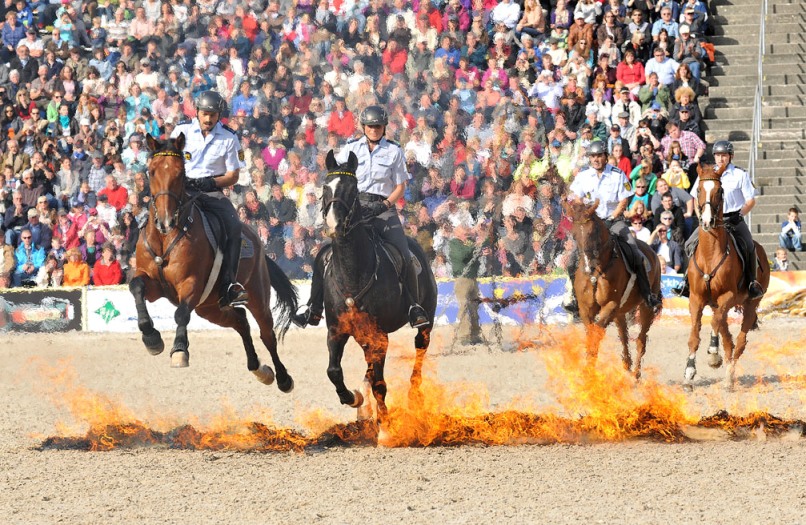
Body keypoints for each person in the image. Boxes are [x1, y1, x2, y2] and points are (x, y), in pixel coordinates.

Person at [293, 105, 429, 329]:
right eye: (370, 126)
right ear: (363, 127)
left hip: (383, 209)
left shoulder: (394, 151)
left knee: (403, 252)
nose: (374, 130)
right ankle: (313, 307)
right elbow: (341, 177)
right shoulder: (351, 148)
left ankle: (414, 307)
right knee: (324, 254)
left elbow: (400, 187)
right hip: (354, 208)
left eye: (377, 126)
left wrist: (383, 205)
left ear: (384, 127)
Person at [170, 90, 248, 308]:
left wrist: (211, 183)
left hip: (211, 191)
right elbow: (169, 158)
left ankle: (230, 285)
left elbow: (233, 175)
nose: (208, 118)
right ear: (197, 112)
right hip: (183, 189)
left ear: (218, 115)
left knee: (233, 226)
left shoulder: (229, 137)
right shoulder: (182, 130)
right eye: (205, 113)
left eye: (213, 114)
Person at [565, 140, 662, 314]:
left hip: (613, 221)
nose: (596, 159)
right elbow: (575, 198)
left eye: (599, 156)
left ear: (605, 156)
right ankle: (573, 296)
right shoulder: (583, 176)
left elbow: (624, 200)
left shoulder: (617, 174)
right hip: (590, 224)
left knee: (635, 251)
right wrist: (585, 212)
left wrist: (612, 217)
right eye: (593, 156)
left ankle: (647, 295)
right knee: (572, 258)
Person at [674, 140, 765, 299]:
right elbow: (696, 198)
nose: (720, 159)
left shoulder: (740, 174)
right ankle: (687, 282)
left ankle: (751, 283)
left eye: (724, 155)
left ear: (731, 156)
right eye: (717, 155)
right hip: (709, 220)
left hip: (733, 219)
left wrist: (741, 214)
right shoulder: (706, 173)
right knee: (689, 244)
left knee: (749, 245)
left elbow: (751, 200)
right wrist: (701, 216)